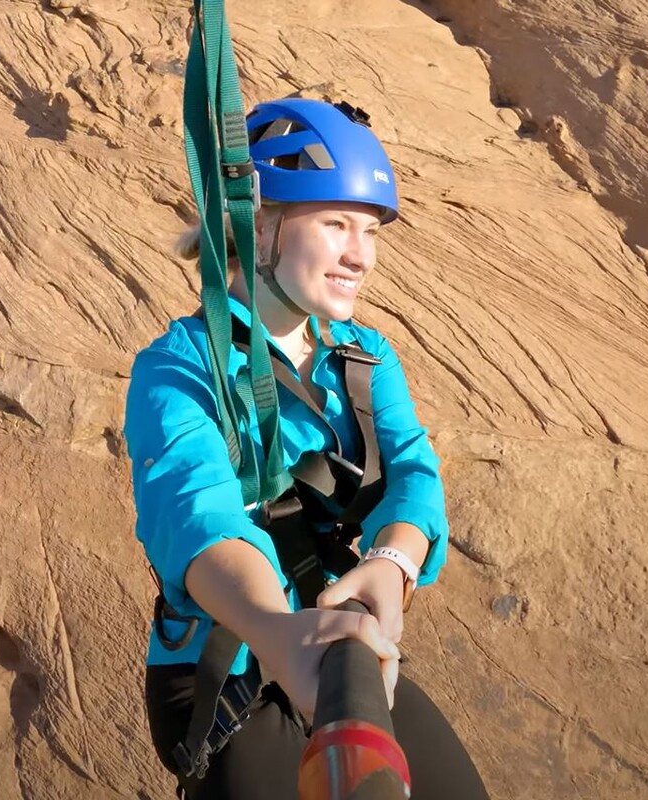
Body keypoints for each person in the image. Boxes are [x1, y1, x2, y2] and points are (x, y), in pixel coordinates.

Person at [123, 97, 490, 799]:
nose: (362, 254)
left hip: (335, 646)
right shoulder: (177, 369)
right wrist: (273, 627)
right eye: (335, 223)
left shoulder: (362, 355)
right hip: (226, 668)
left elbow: (415, 473)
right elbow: (199, 518)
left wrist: (391, 562)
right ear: (258, 225)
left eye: (370, 229)